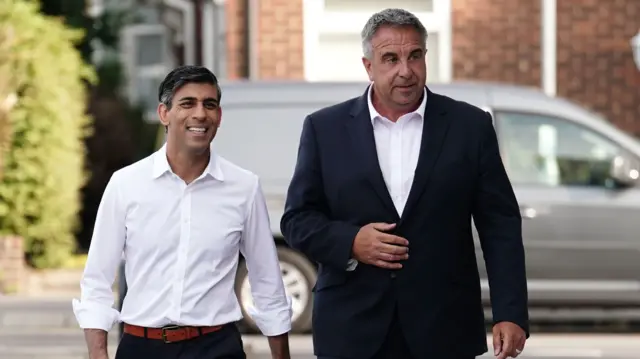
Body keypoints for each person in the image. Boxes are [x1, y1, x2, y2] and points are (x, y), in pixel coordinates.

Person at [280, 8, 529, 359]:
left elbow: (499, 223)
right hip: (352, 330)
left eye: (415, 56)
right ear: (368, 66)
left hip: (444, 329)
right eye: (390, 59)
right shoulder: (325, 129)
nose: (405, 71)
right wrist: (351, 242)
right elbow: (297, 220)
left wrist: (510, 311)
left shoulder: (469, 127)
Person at [72, 66, 292, 359]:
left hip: (217, 347)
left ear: (219, 116)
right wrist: (98, 354)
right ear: (164, 113)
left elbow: (268, 283)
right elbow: (97, 280)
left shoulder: (244, 187)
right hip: (142, 347)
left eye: (209, 104)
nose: (200, 114)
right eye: (187, 103)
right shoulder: (126, 184)